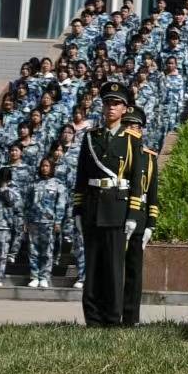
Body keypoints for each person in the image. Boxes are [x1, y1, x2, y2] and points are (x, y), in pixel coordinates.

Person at [74, 81, 143, 327]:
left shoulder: (132, 140)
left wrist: (133, 213)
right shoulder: (91, 138)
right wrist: (78, 210)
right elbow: (81, 177)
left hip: (117, 208)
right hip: (93, 205)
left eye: (116, 104)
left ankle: (113, 317)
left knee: (114, 268)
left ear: (125, 109)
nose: (111, 108)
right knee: (92, 266)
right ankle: (93, 318)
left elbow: (137, 180)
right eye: (107, 103)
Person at [121, 106, 159, 325]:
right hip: (117, 214)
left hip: (139, 219)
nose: (131, 130)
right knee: (115, 270)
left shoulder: (149, 158)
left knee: (134, 272)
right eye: (127, 125)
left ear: (141, 130)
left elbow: (152, 195)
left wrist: (151, 225)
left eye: (134, 126)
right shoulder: (116, 151)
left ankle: (131, 316)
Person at [24, 157, 69, 289]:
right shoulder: (34, 184)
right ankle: (34, 276)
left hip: (49, 222)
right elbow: (27, 204)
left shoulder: (58, 185)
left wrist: (58, 222)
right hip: (34, 221)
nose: (44, 168)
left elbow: (60, 205)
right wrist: (26, 221)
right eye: (43, 166)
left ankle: (44, 277)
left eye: (47, 166)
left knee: (47, 251)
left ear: (52, 168)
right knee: (33, 250)